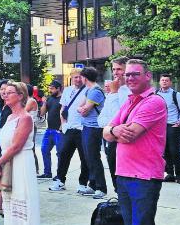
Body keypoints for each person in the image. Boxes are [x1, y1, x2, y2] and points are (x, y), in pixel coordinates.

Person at [103, 59, 167, 225]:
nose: (129, 78)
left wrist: (113, 130)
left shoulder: (154, 101)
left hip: (144, 177)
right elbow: (105, 131)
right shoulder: (129, 101)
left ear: (147, 76)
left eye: (135, 74)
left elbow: (131, 134)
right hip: (124, 174)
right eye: (127, 74)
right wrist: (113, 129)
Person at [0, 81, 42, 225]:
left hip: (20, 164)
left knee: (23, 209)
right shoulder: (10, 117)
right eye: (4, 92)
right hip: (8, 163)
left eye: (10, 92)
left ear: (20, 96)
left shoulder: (25, 118)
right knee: (10, 208)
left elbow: (16, 146)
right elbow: (5, 146)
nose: (5, 95)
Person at [49, 69, 91, 194]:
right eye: (75, 78)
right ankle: (60, 180)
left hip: (82, 128)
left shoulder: (88, 90)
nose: (78, 80)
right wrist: (63, 124)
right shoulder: (67, 91)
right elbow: (63, 108)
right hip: (69, 128)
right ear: (71, 78)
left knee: (84, 157)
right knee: (63, 155)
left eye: (80, 77)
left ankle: (83, 183)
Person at [98, 56, 132, 193]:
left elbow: (122, 116)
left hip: (127, 138)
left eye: (119, 69)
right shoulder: (114, 90)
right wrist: (113, 93)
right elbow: (103, 120)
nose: (116, 73)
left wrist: (114, 93)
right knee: (114, 171)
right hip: (113, 137)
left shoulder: (130, 91)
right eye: (114, 69)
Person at [77, 67, 107, 199]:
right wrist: (81, 108)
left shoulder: (95, 91)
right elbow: (80, 106)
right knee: (88, 157)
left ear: (84, 77)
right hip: (87, 126)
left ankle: (101, 188)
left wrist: (81, 109)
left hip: (94, 128)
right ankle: (93, 185)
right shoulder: (89, 90)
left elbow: (84, 110)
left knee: (94, 158)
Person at [157, 74, 180, 184]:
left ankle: (178, 175)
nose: (164, 82)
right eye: (162, 80)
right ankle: (170, 173)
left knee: (174, 151)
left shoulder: (176, 95)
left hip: (172, 126)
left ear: (170, 83)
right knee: (164, 151)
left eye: (166, 80)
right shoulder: (155, 95)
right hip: (159, 127)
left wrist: (179, 121)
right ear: (159, 82)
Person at [39, 80, 62, 179]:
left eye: (52, 88)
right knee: (44, 150)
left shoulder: (62, 99)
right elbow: (42, 113)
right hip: (49, 129)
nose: (50, 90)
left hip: (59, 130)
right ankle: (47, 172)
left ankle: (60, 174)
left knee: (60, 153)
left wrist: (61, 127)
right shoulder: (49, 99)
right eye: (49, 88)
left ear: (58, 88)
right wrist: (44, 103)